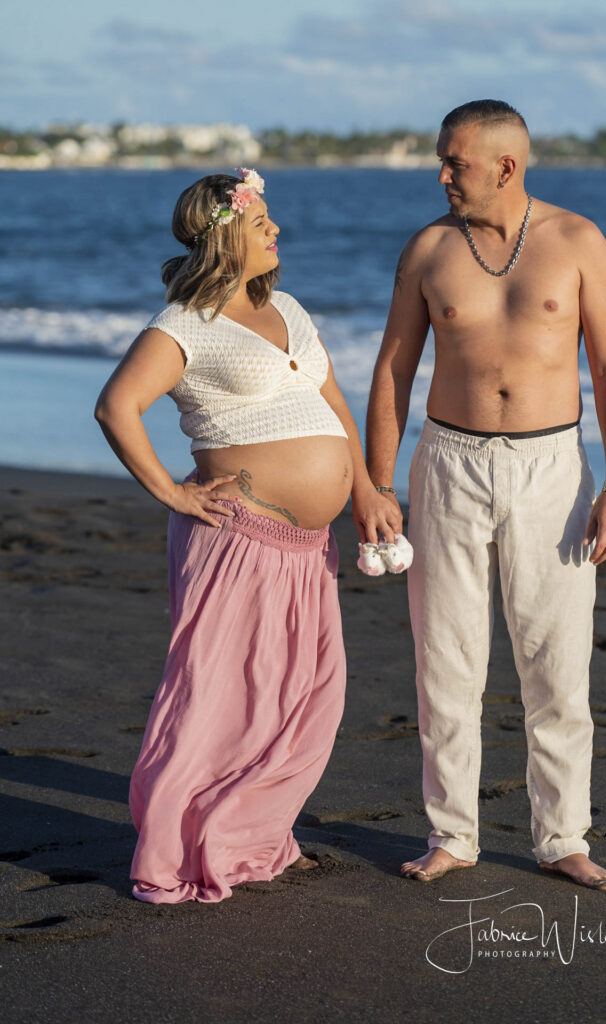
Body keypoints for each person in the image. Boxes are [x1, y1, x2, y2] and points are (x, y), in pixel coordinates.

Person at [354, 100, 606, 891]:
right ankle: (452, 834)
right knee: (444, 658)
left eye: (455, 163)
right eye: (443, 161)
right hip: (446, 461)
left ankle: (562, 838)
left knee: (555, 661)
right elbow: (391, 373)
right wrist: (378, 483)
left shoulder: (577, 242)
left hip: (552, 468)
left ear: (505, 167)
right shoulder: (429, 250)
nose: (441, 175)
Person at [95, 168, 396, 903]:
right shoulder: (182, 326)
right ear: (225, 231)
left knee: (302, 698)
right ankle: (171, 850)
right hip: (236, 536)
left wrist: (362, 490)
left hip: (306, 549)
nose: (275, 232)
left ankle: (251, 834)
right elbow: (115, 407)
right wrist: (171, 491)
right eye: (262, 222)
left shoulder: (288, 308)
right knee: (217, 700)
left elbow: (333, 410)